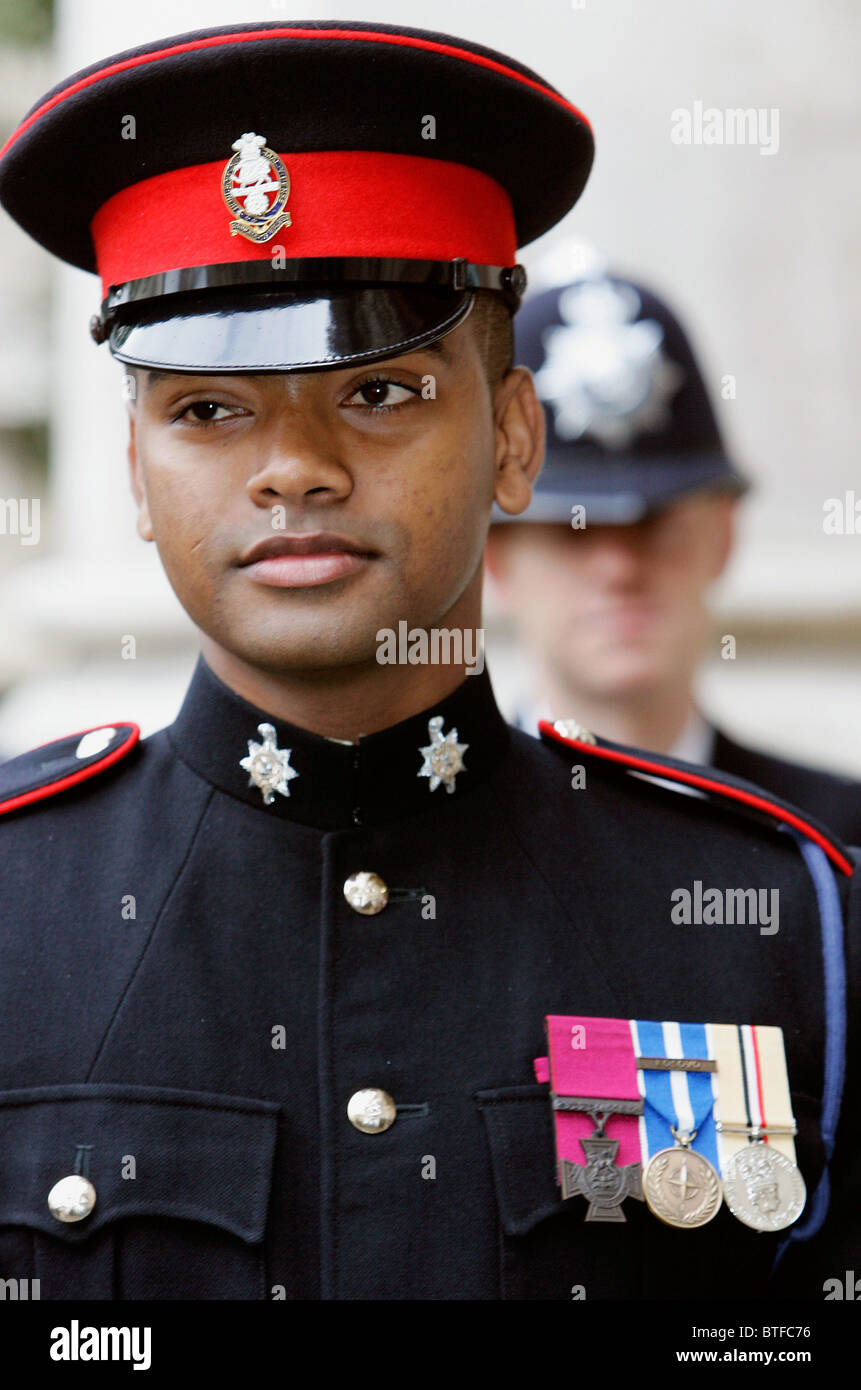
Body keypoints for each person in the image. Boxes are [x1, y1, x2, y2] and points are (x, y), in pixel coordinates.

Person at [0, 20, 857, 1303]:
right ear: (133, 469)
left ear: (516, 439)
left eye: (380, 391)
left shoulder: (781, 924)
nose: (293, 467)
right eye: (209, 408)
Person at [487, 265, 861, 842]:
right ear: (495, 560)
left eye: (657, 524)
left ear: (726, 536)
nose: (620, 569)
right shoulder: (436, 839)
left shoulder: (836, 844)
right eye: (572, 530)